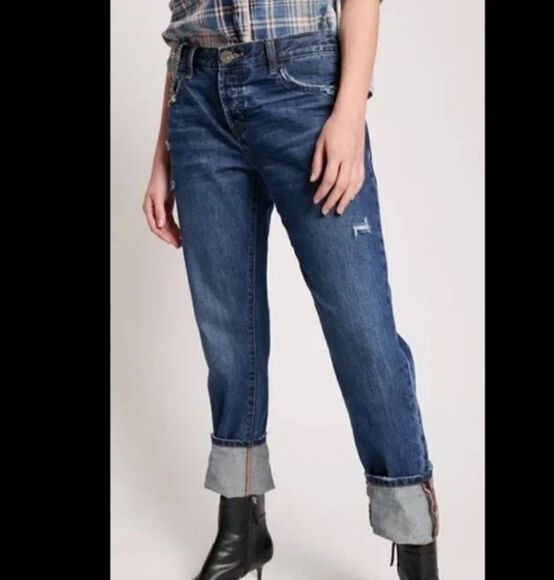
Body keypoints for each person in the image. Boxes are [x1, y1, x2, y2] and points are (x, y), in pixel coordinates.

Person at [142, 1, 440, 578]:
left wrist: (349, 112)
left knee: (362, 330)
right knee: (227, 333)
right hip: (196, 100)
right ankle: (241, 526)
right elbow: (183, 20)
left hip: (302, 88)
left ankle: (414, 542)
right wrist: (163, 150)